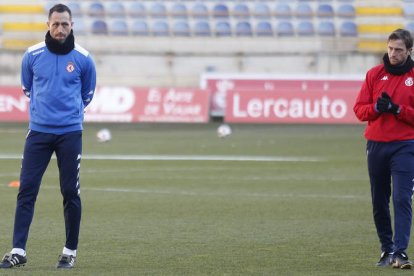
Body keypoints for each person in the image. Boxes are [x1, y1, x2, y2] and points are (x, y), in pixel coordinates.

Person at [0, 3, 96, 269]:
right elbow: (27, 88)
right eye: (55, 23)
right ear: (48, 24)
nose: (60, 28)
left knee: (70, 191)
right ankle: (18, 250)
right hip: (38, 133)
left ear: (72, 25)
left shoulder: (83, 58)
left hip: (70, 133)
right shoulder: (32, 55)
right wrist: (45, 114)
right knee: (27, 190)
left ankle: (69, 251)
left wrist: (68, 115)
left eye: (65, 24)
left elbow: (87, 94)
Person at [354, 28, 414, 269]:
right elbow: (359, 110)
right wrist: (377, 109)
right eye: (390, 48)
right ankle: (386, 249)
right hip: (377, 145)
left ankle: (400, 252)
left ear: (409, 51)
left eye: (398, 50)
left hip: (405, 145)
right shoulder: (374, 74)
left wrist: (397, 110)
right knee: (379, 200)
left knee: (401, 198)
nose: (393, 54)